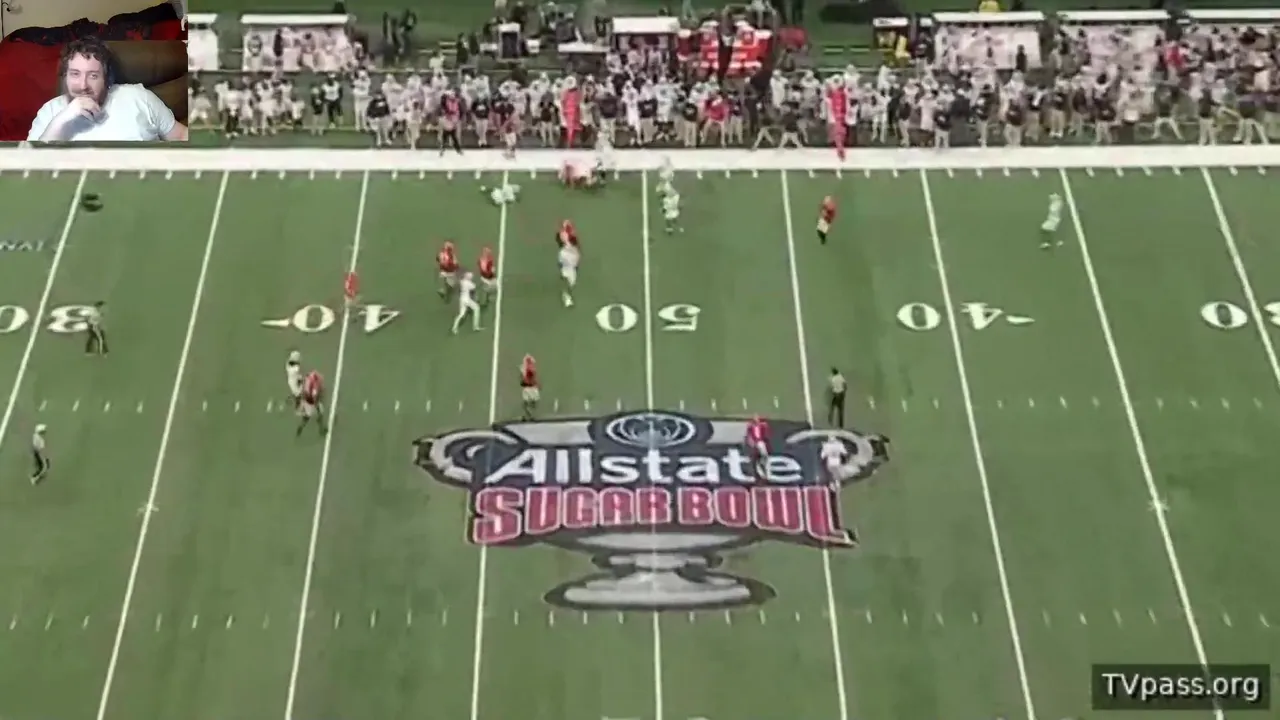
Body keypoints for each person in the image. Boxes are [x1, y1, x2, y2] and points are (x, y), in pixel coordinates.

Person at [27, 37, 189, 143]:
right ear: (65, 77)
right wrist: (60, 122)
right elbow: (28, 169)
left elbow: (181, 135)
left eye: (93, 76)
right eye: (75, 74)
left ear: (106, 79)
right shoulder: (50, 113)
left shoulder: (139, 97)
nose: (83, 85)